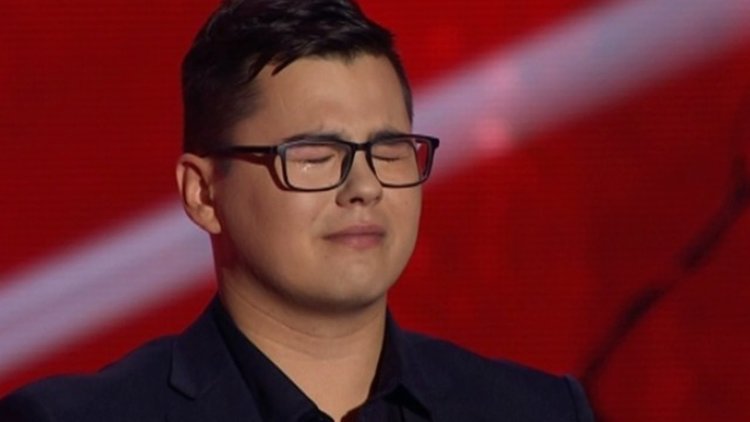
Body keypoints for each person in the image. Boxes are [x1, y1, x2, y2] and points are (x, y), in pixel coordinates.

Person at [0, 0, 595, 420]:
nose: (364, 187)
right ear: (203, 193)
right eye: (315, 156)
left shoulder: (536, 410)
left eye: (389, 150)